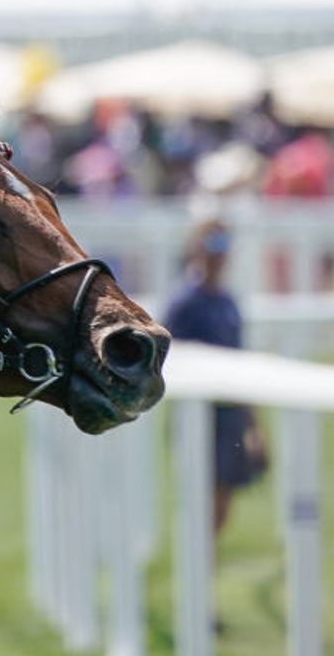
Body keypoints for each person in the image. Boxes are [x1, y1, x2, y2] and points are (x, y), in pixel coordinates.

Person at [164, 220, 269, 541]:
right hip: (198, 414)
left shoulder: (228, 301)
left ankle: (203, 563)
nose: (218, 256)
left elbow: (240, 365)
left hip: (230, 414)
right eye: (211, 247)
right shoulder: (183, 303)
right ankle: (198, 567)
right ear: (196, 249)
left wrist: (253, 425)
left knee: (223, 496)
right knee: (202, 496)